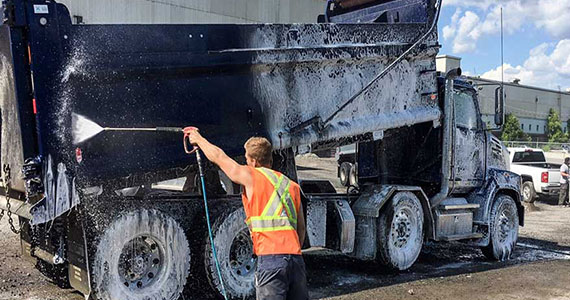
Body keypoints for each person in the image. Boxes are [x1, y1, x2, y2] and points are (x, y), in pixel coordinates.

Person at [186, 128, 308, 300]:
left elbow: (219, 157)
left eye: (246, 157)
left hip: (271, 259)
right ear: (270, 159)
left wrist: (198, 139)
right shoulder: (291, 186)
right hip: (296, 261)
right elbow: (301, 229)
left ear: (253, 161)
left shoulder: (252, 176)